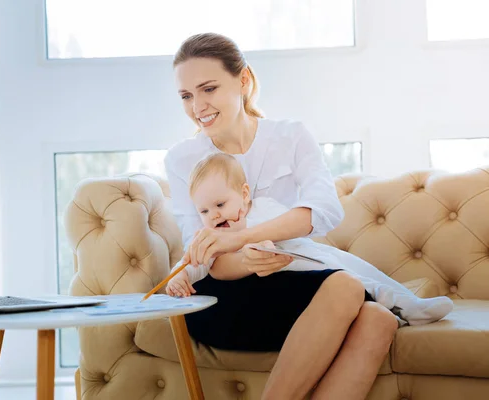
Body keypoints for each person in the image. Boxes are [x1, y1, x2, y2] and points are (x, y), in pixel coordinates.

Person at [164, 32, 399, 399]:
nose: (198, 106)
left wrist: (243, 240)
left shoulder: (291, 136)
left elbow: (323, 210)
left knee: (379, 319)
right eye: (186, 96)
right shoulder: (182, 159)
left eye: (208, 89)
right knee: (347, 285)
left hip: (289, 282)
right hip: (222, 295)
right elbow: (209, 256)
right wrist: (247, 259)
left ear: (243, 80)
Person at [165, 153, 454, 326]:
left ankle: (410, 301)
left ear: (243, 194)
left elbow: (292, 229)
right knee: (346, 277)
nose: (214, 215)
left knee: (355, 265)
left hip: (305, 254)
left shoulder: (264, 207)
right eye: (204, 211)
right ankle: (400, 304)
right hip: (295, 276)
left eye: (219, 204)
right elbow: (192, 261)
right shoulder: (211, 237)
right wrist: (176, 277)